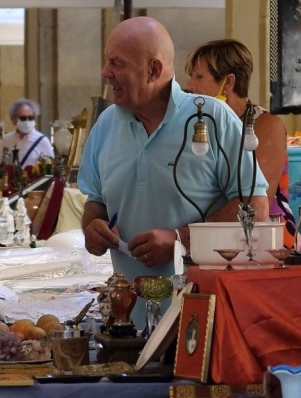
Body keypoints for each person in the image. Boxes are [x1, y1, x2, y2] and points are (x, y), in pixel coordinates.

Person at [79, 17, 267, 327]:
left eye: (117, 63)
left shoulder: (213, 118)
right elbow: (95, 199)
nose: (105, 72)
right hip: (130, 323)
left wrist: (180, 240)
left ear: (153, 70)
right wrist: (93, 227)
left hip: (205, 320)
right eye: (106, 61)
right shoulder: (106, 125)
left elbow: (254, 208)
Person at [185, 39, 297, 249]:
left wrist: (190, 232)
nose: (190, 85)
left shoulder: (266, 125)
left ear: (227, 83)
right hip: (215, 238)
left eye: (199, 76)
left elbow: (255, 202)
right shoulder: (201, 124)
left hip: (267, 242)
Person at [0, 99, 54, 171]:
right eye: (23, 118)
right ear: (14, 119)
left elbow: (50, 168)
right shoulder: (7, 139)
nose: (27, 121)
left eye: (30, 118)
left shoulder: (43, 141)